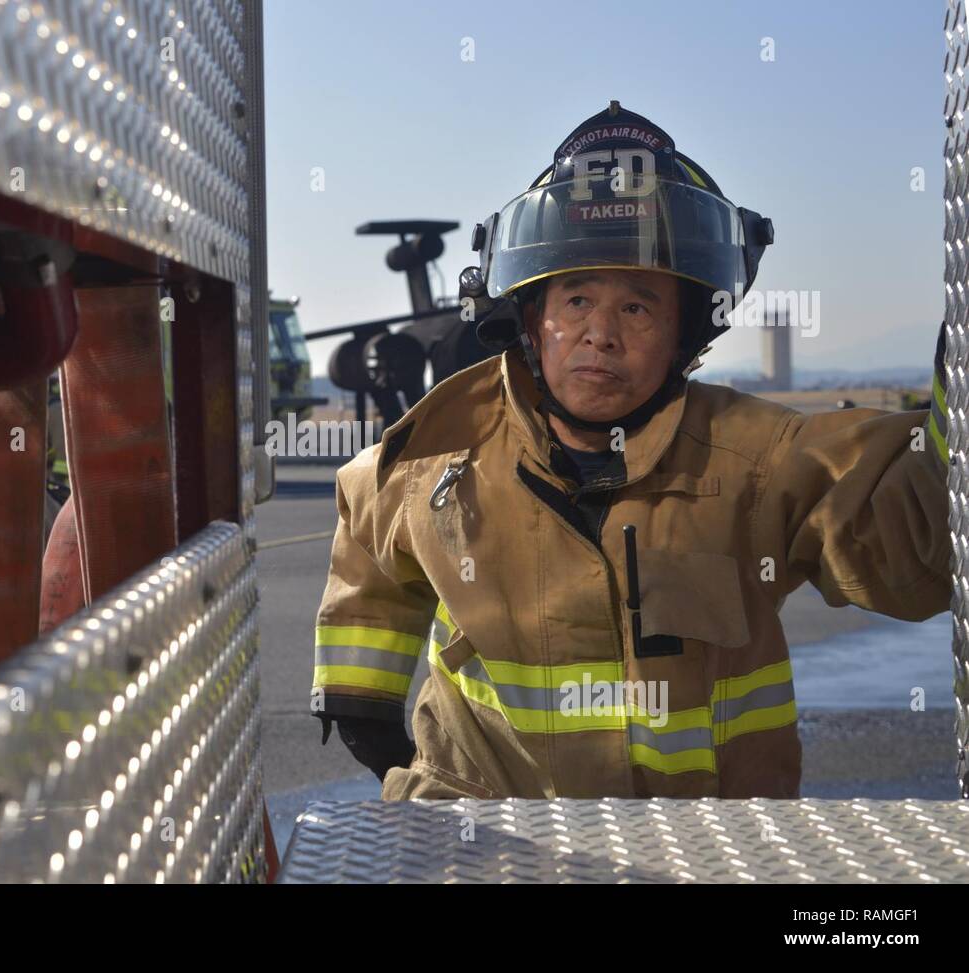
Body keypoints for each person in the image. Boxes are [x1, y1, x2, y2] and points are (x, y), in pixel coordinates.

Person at [310, 102, 952, 799]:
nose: (601, 334)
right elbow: (368, 529)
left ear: (685, 333)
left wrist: (956, 406)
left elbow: (911, 541)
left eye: (638, 306)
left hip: (711, 851)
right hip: (484, 849)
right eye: (577, 299)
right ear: (532, 315)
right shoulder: (436, 458)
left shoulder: (761, 460)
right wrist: (359, 689)